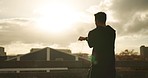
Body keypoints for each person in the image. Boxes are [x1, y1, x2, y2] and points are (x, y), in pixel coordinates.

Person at [78, 12, 116, 78]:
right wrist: (86, 38)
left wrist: (86, 38)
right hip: (110, 65)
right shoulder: (112, 31)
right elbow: (102, 38)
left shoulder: (92, 33)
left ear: (96, 21)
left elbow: (91, 44)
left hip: (97, 65)